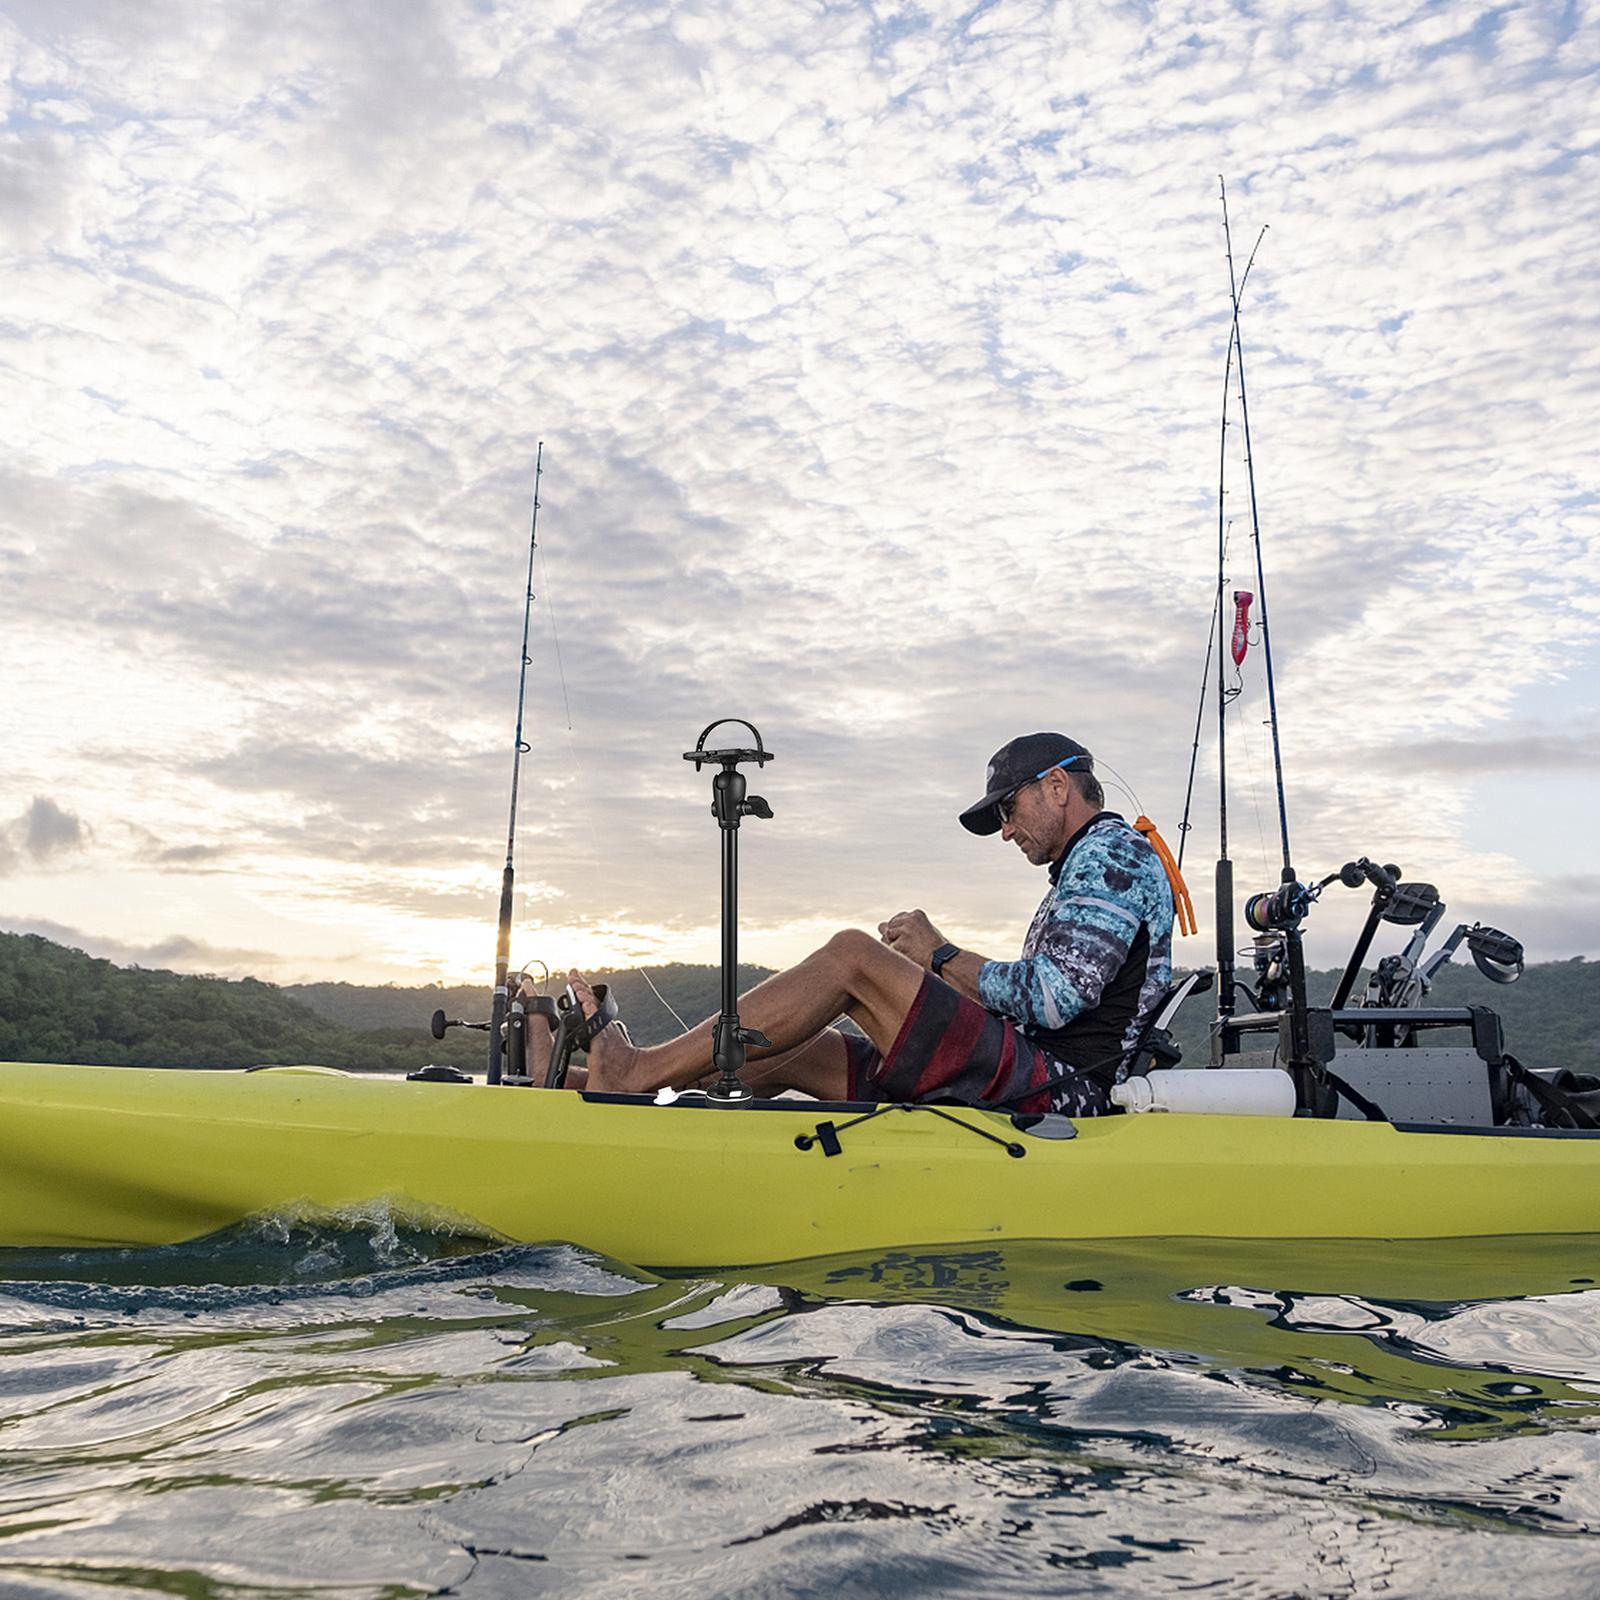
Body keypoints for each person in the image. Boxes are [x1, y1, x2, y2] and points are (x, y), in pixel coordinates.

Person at [558, 732, 1175, 1116]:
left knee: (852, 955)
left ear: (1059, 787)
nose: (1007, 829)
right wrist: (925, 975)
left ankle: (637, 1073)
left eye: (1008, 809)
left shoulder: (1112, 853)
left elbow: (1053, 997)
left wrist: (937, 955)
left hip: (1066, 1088)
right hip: (1032, 1066)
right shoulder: (1088, 863)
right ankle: (608, 1090)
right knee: (787, 1052)